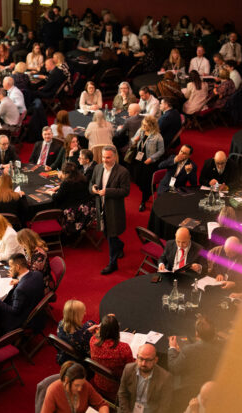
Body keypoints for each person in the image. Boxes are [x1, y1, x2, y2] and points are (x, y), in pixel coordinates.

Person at [90, 146, 130, 274]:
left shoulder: (123, 172)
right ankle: (120, 245)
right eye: (103, 157)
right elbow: (91, 183)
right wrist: (93, 188)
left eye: (108, 157)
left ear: (115, 157)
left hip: (114, 210)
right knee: (106, 233)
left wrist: (107, 192)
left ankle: (113, 264)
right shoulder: (97, 168)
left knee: (111, 236)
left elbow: (125, 191)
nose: (105, 160)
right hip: (100, 207)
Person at [0, 253, 44, 333]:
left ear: (17, 267)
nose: (9, 269)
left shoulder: (20, 290)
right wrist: (20, 281)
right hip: (37, 312)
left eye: (10, 266)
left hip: (22, 319)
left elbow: (14, 311)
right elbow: (29, 283)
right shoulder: (38, 274)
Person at [168, 315, 224, 389]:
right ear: (214, 331)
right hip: (214, 386)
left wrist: (172, 348)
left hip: (189, 389)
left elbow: (174, 368)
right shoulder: (225, 346)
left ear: (197, 334)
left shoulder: (188, 350)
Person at [117, 343, 173, 413]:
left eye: (148, 360)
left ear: (155, 360)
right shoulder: (128, 369)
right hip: (129, 409)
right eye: (141, 358)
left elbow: (164, 406)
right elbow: (122, 393)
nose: (143, 363)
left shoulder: (165, 378)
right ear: (137, 357)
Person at [89, 314, 134, 396]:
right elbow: (131, 368)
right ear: (117, 330)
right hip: (117, 385)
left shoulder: (93, 341)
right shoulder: (123, 348)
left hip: (99, 381)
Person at [41, 361, 109, 413]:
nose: (80, 389)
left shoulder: (85, 385)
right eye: (77, 385)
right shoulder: (53, 390)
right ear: (66, 380)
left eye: (81, 384)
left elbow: (102, 404)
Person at [131, 115, 164, 211]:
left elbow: (161, 151)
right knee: (137, 179)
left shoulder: (158, 136)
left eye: (145, 125)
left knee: (145, 182)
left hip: (149, 162)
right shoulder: (141, 131)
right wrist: (135, 140)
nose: (143, 127)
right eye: (143, 124)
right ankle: (150, 189)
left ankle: (143, 201)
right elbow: (133, 140)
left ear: (152, 126)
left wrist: (152, 158)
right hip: (139, 158)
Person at [56, 300, 95, 365]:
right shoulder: (81, 337)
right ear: (77, 317)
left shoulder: (61, 324)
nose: (85, 313)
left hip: (65, 354)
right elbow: (90, 352)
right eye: (83, 312)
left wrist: (87, 331)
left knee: (90, 323)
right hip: (80, 360)